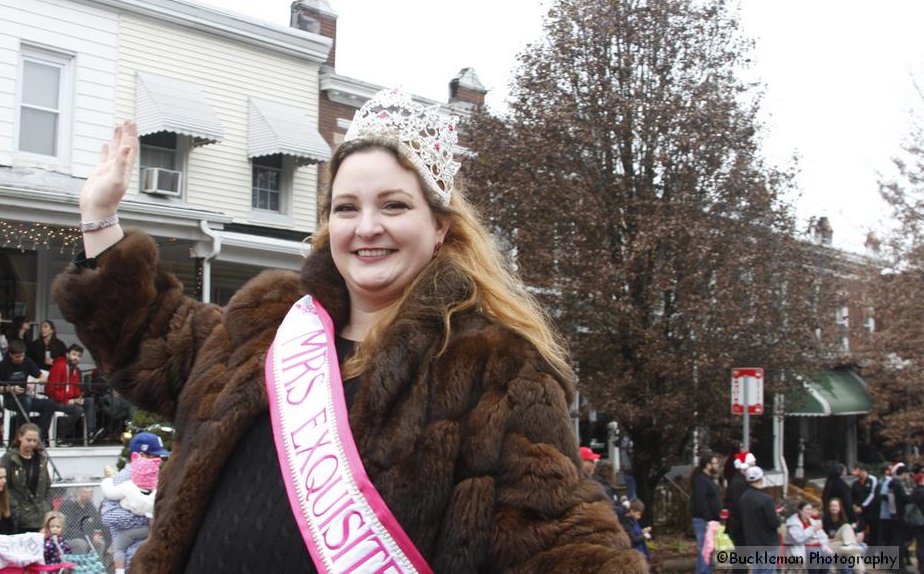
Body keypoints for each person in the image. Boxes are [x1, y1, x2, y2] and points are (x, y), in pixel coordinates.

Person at [52, 100, 648, 573]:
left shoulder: (495, 368)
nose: (366, 229)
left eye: (393, 205)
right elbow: (158, 341)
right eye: (345, 208)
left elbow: (559, 539)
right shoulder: (270, 320)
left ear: (439, 226)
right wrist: (100, 220)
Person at [100, 433, 167, 574]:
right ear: (141, 455)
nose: (159, 460)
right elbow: (108, 516)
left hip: (150, 551)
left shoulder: (153, 476)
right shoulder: (124, 478)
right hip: (131, 555)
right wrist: (146, 518)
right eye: (155, 455)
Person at [0, 340, 54, 443]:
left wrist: (34, 382)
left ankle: (40, 437)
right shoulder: (3, 365)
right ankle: (22, 437)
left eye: (22, 356)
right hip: (10, 399)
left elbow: (43, 378)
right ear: (11, 355)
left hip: (25, 397)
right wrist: (9, 389)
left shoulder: (27, 361)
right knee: (25, 401)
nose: (20, 359)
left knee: (49, 404)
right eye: (17, 357)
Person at [0, 423, 52, 531]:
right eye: (28, 440)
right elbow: (5, 486)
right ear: (20, 437)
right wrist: (15, 506)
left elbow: (47, 486)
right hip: (18, 517)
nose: (32, 443)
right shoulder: (9, 458)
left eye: (35, 440)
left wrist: (47, 507)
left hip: (40, 515)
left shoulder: (41, 459)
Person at [46, 344, 95, 444]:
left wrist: (78, 397)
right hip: (56, 401)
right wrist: (68, 400)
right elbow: (51, 390)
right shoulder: (58, 367)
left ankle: (91, 432)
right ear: (67, 354)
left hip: (69, 400)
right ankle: (60, 436)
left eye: (79, 356)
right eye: (74, 354)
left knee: (89, 401)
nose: (76, 358)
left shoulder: (76, 371)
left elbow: (74, 390)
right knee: (78, 409)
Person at [738, 466, 781, 574]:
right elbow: (774, 523)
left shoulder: (743, 498)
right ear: (761, 478)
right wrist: (778, 517)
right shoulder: (766, 499)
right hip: (767, 543)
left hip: (752, 542)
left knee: (756, 570)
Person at [690, 451, 722, 574]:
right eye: (715, 463)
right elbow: (700, 500)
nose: (717, 466)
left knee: (708, 549)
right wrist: (708, 519)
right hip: (703, 521)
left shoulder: (708, 479)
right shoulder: (700, 480)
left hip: (711, 520)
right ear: (708, 465)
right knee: (705, 550)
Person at [59, 485, 107, 555]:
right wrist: (89, 538)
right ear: (79, 492)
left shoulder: (90, 506)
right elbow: (67, 529)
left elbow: (97, 523)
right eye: (86, 491)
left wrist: (96, 536)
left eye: (91, 491)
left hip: (87, 537)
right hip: (68, 538)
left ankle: (96, 564)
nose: (90, 493)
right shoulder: (68, 504)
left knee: (100, 542)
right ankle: (79, 565)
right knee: (81, 543)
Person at [784, 500, 827, 573]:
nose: (810, 511)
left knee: (828, 555)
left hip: (816, 546)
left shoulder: (812, 521)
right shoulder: (793, 522)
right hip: (800, 547)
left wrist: (825, 545)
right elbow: (798, 538)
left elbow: (822, 536)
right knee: (814, 555)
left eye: (810, 509)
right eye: (807, 509)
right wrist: (812, 529)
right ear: (800, 511)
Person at [726, 451, 756, 548]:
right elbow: (740, 506)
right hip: (739, 526)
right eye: (751, 466)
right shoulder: (738, 483)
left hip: (742, 525)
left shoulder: (743, 481)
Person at [851, 463, 879, 545]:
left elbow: (873, 494)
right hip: (860, 512)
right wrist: (854, 506)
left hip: (872, 511)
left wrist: (862, 506)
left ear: (863, 471)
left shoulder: (873, 479)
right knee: (858, 530)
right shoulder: (855, 483)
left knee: (874, 533)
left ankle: (872, 554)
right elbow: (852, 496)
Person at [822, 463, 856, 529]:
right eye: (845, 471)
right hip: (842, 514)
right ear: (841, 472)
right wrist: (853, 518)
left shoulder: (829, 482)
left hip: (829, 513)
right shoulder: (841, 484)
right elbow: (847, 502)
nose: (846, 473)